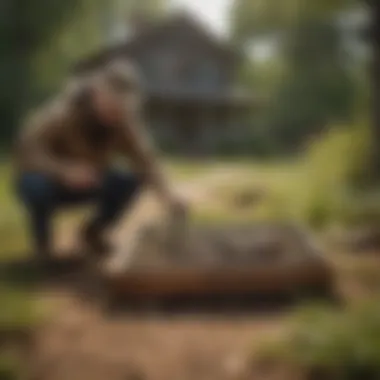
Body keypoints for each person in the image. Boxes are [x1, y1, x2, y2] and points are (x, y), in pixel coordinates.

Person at [14, 60, 186, 267]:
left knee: (129, 180)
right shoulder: (62, 112)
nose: (115, 115)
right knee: (36, 185)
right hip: (50, 182)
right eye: (111, 106)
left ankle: (93, 234)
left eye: (121, 109)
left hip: (89, 182)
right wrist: (63, 171)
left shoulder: (123, 121)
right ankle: (43, 249)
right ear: (97, 94)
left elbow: (146, 160)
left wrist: (169, 195)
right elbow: (26, 148)